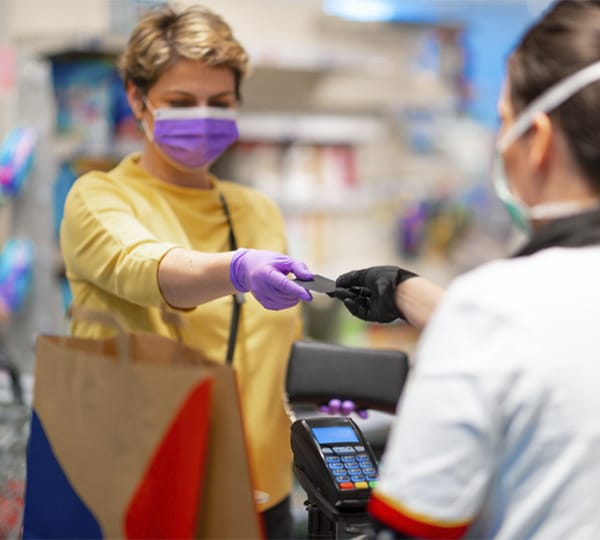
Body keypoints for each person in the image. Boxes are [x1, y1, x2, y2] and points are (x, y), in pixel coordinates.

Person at [331, 1, 600, 538]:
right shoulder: (497, 312)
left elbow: (416, 526)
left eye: (505, 123)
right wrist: (410, 293)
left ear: (539, 139)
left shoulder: (494, 308)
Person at [59, 5, 314, 538]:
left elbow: (274, 346)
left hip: (260, 495)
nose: (202, 116)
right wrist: (238, 269)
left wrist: (311, 400)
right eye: (180, 102)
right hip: (141, 494)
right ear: (136, 98)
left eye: (219, 103)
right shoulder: (100, 198)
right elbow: (146, 267)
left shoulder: (257, 211)